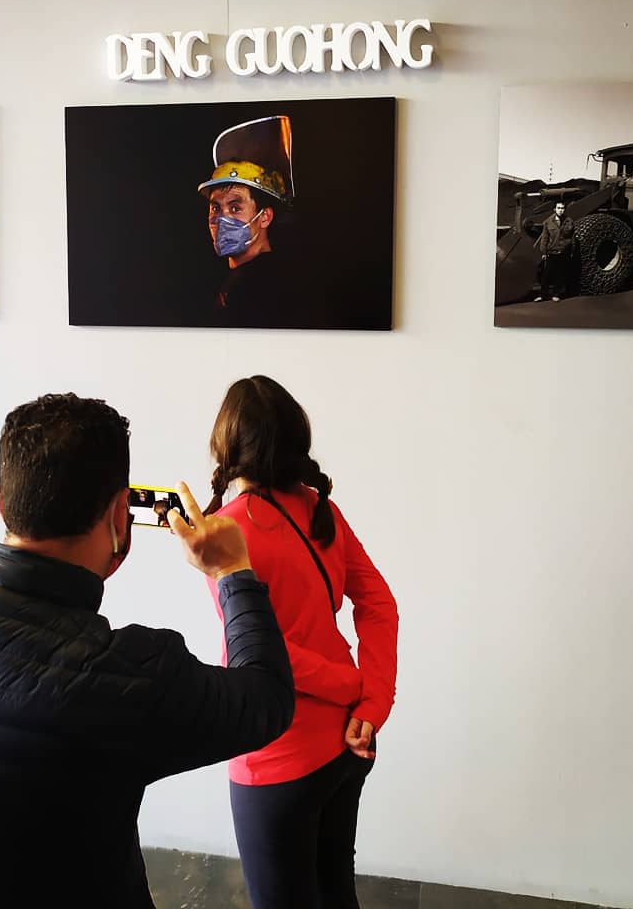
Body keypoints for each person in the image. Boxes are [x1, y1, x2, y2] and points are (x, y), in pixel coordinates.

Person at [0, 392, 294, 909]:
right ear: (120, 516)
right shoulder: (128, 677)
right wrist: (232, 571)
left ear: (2, 503)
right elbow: (268, 698)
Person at [201, 375, 399, 909]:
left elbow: (258, 653)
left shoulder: (225, 533)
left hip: (278, 757)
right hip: (350, 740)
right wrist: (371, 700)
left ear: (226, 445)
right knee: (336, 892)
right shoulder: (319, 507)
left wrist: (350, 686)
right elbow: (379, 604)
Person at [198, 115, 301, 328]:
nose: (222, 218)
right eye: (216, 208)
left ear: (265, 217)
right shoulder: (234, 281)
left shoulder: (271, 286)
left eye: (235, 208)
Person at [534, 199, 575, 302]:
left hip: (564, 251)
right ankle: (542, 295)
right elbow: (545, 238)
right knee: (546, 274)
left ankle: (556, 294)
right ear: (554, 209)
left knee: (559, 274)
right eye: (558, 208)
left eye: (562, 208)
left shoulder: (569, 221)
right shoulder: (548, 222)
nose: (560, 210)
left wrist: (571, 250)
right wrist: (544, 252)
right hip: (552, 251)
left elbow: (572, 237)